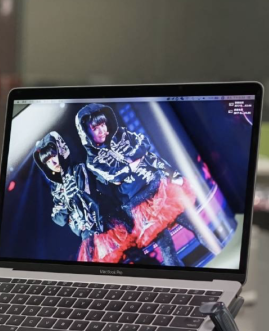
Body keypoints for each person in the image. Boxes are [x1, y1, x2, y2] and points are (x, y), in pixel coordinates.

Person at [75, 103, 204, 266]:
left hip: (159, 189)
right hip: (138, 203)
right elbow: (115, 176)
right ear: (86, 133)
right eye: (95, 128)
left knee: (195, 224)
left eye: (103, 124)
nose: (102, 130)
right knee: (166, 245)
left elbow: (143, 144)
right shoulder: (92, 160)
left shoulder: (122, 134)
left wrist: (135, 162)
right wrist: (133, 163)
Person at [33, 132, 132, 263]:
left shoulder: (79, 169)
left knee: (126, 258)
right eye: (47, 161)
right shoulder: (56, 190)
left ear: (61, 151)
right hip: (88, 237)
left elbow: (90, 195)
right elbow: (59, 219)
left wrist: (71, 200)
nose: (53, 162)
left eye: (54, 155)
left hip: (105, 224)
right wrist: (66, 203)